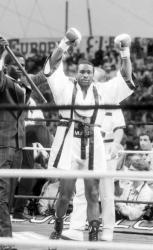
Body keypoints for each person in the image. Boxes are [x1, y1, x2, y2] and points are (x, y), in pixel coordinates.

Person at [43, 27, 135, 244]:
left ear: (93, 75)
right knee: (65, 195)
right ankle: (58, 227)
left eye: (88, 72)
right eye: (82, 71)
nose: (85, 75)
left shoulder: (103, 90)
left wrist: (125, 52)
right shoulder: (65, 87)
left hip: (93, 144)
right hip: (70, 143)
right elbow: (51, 67)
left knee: (93, 194)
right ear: (76, 72)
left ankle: (93, 237)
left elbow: (126, 78)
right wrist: (65, 42)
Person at [0, 36, 46, 250]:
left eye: (22, 63)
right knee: (3, 191)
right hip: (1, 142)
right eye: (16, 63)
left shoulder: (23, 88)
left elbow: (42, 75)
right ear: (9, 67)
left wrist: (63, 47)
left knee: (9, 192)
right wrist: (1, 54)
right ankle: (5, 241)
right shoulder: (1, 85)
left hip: (17, 144)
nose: (20, 66)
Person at [62, 68, 126, 242]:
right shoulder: (83, 99)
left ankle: (108, 229)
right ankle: (75, 228)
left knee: (106, 192)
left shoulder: (112, 100)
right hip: (86, 146)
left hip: (106, 149)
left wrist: (115, 144)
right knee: (82, 190)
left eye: (94, 78)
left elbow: (120, 128)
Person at [115, 155, 153, 221]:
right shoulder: (128, 186)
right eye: (129, 170)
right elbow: (121, 202)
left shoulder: (147, 192)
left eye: (132, 170)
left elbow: (136, 214)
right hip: (124, 222)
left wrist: (120, 206)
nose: (129, 173)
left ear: (141, 174)